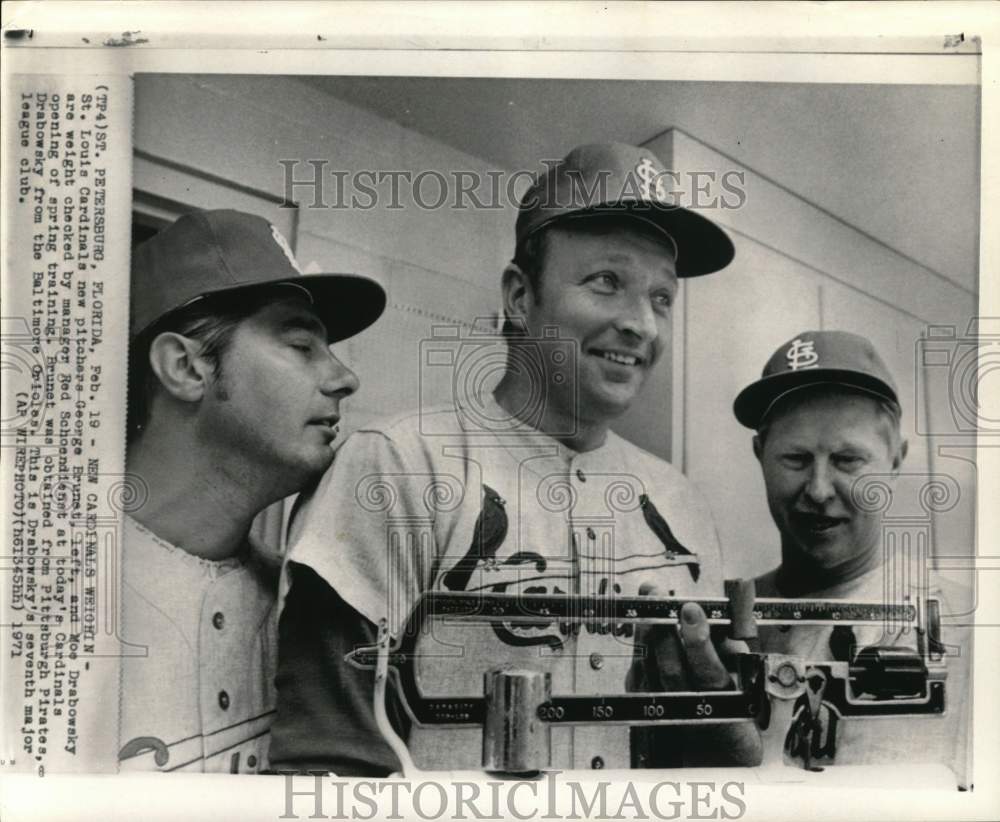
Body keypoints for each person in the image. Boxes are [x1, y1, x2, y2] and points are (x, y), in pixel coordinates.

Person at [271, 143, 761, 774]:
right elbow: (324, 758)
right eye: (607, 282)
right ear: (519, 296)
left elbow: (686, 753)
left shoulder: (680, 503)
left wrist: (717, 704)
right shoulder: (398, 465)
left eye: (662, 297)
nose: (642, 324)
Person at [113, 209, 385, 773]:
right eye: (302, 345)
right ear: (186, 368)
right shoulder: (39, 598)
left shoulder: (311, 608)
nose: (345, 379)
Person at [733, 330, 971, 782]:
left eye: (847, 460)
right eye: (796, 459)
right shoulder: (728, 625)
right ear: (760, 453)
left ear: (895, 460)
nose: (820, 490)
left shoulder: (967, 627)